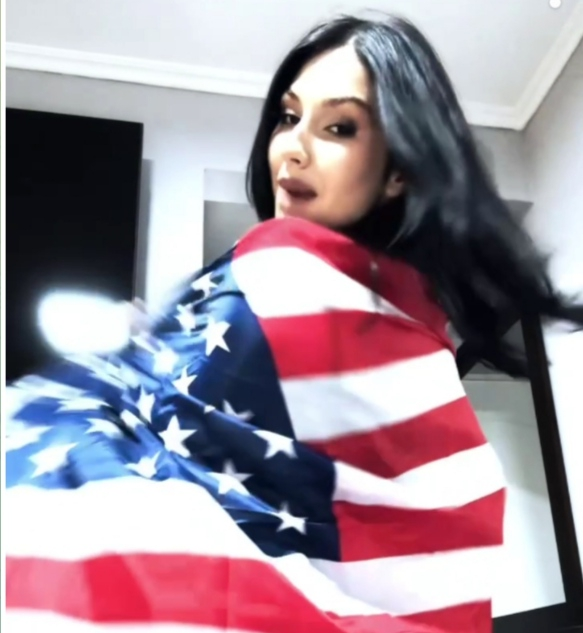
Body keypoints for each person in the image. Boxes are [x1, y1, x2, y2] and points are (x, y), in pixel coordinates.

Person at [5, 13, 582, 633]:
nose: (293, 148)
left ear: (398, 169)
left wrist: (133, 368)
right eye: (288, 116)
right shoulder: (382, 323)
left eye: (338, 127)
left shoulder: (283, 271)